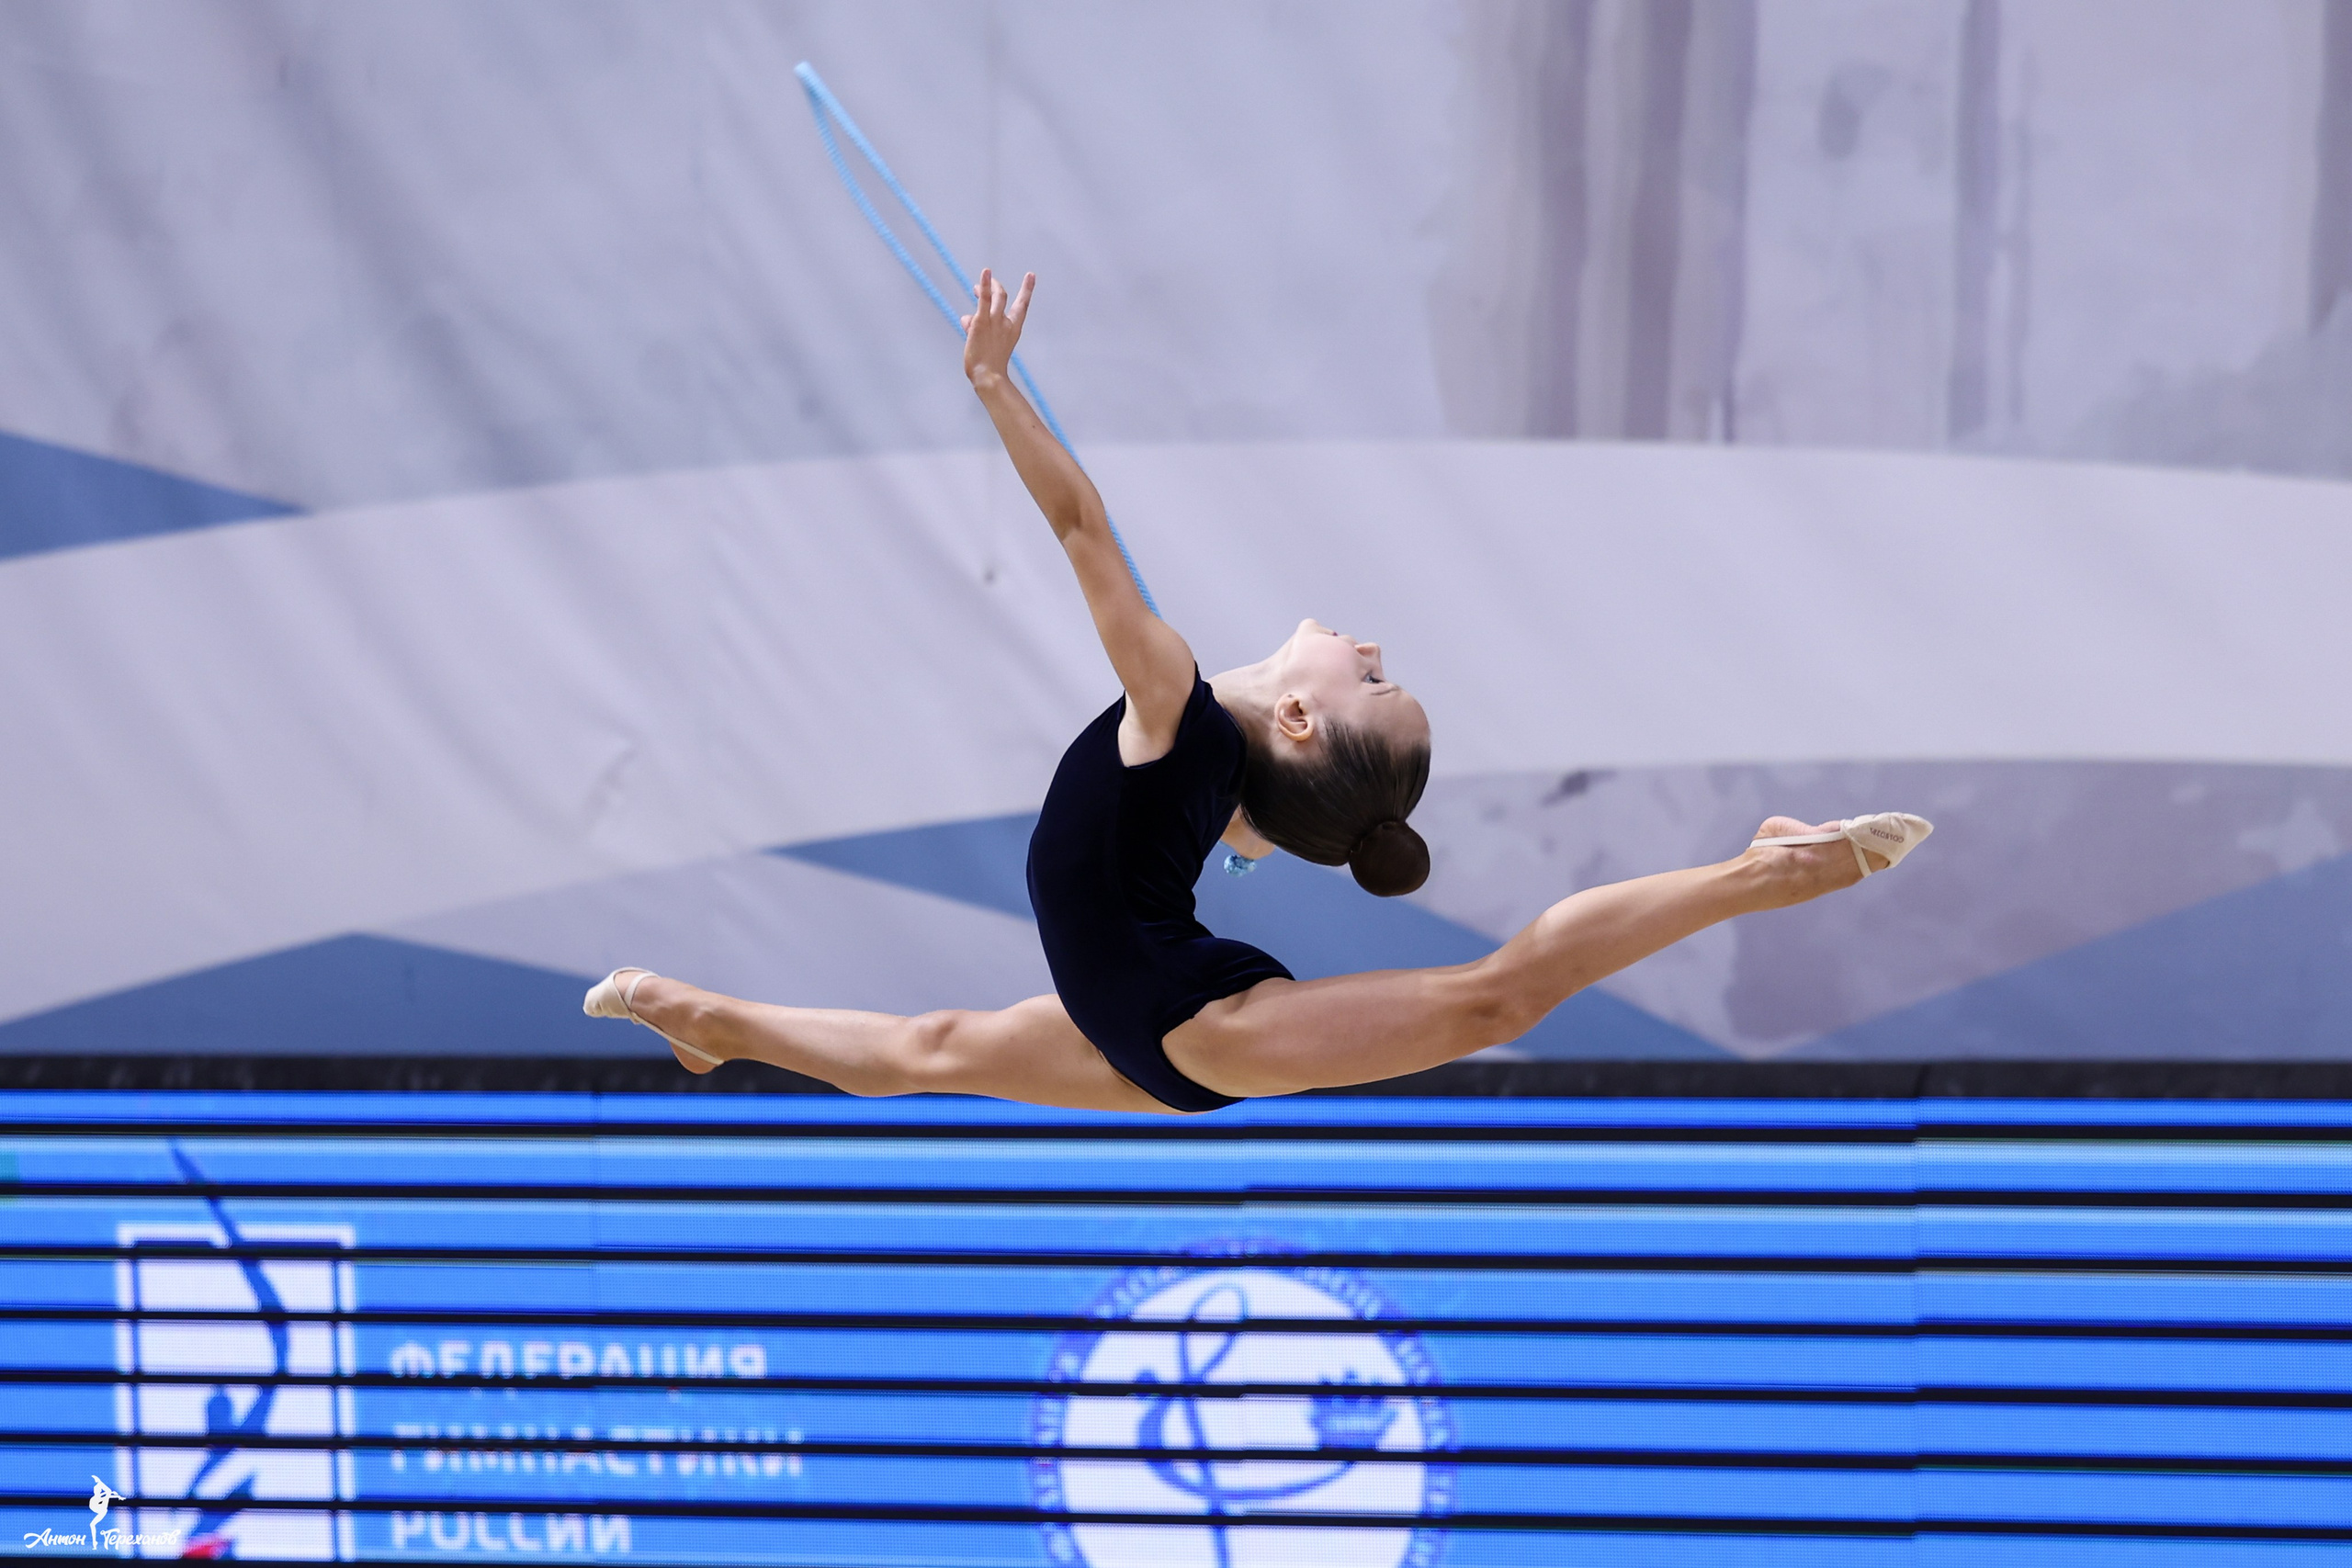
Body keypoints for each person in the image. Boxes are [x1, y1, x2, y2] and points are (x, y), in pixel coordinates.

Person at [586, 270, 1930, 1112]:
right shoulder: (1235, 783)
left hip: (1191, 1026)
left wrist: (995, 386)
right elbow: (1251, 824)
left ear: (1302, 717)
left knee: (1490, 1001)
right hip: (1131, 1021)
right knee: (930, 1046)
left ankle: (1758, 872)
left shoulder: (1172, 707)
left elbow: (1081, 531)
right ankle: (709, 1027)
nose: (1370, 643)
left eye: (1374, 678)